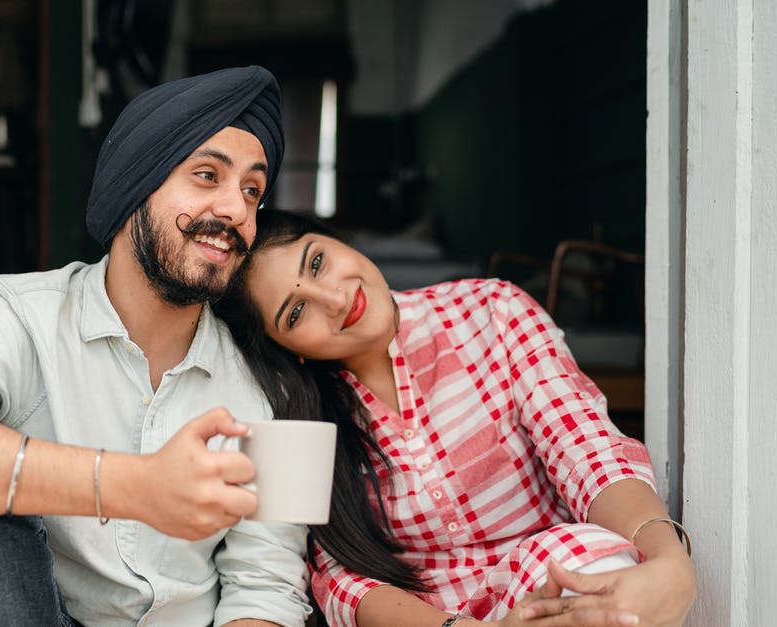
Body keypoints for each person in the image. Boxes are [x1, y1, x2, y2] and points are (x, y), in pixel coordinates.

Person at [0, 66, 312, 627]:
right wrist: (132, 486)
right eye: (207, 175)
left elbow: (267, 587)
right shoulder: (22, 317)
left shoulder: (264, 381)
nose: (237, 209)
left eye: (252, 191)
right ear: (136, 185)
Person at [212, 210, 696, 627]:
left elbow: (586, 449)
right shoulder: (285, 409)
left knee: (593, 572)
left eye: (317, 262)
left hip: (556, 586)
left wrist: (668, 559)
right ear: (287, 348)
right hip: (429, 621)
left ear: (335, 239)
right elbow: (338, 578)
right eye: (297, 313)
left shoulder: (493, 311)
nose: (336, 300)